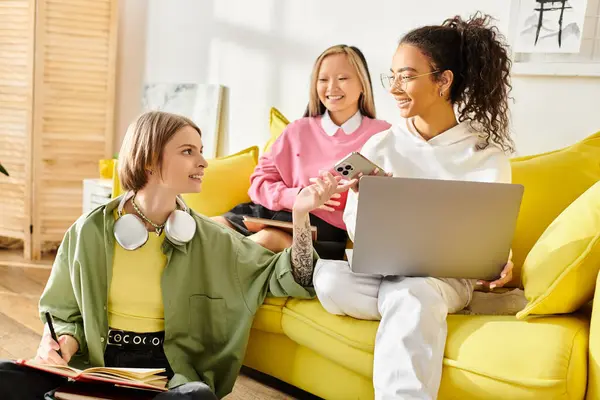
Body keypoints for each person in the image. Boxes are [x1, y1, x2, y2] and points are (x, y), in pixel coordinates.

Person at [0, 111, 352, 400]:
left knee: (196, 398)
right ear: (150, 159)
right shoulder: (89, 231)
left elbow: (296, 274)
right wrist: (61, 341)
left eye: (201, 151)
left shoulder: (211, 239)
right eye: (188, 152)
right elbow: (63, 311)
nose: (202, 162)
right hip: (93, 366)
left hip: (165, 372)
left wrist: (302, 214)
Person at [312, 13, 516, 400]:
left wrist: (500, 259)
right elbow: (357, 233)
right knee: (330, 280)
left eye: (406, 76)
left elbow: (492, 237)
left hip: (446, 277)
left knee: (415, 290)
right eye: (393, 76)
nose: (394, 89)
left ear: (443, 80)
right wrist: (364, 199)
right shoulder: (380, 146)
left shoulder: (484, 155)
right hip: (386, 271)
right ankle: (433, 309)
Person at [213, 44, 390, 260]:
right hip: (269, 214)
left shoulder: (382, 134)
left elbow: (390, 198)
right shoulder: (297, 130)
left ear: (363, 84)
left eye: (342, 78)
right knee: (209, 228)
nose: (331, 87)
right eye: (323, 80)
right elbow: (259, 183)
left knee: (266, 240)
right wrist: (297, 196)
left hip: (322, 230)